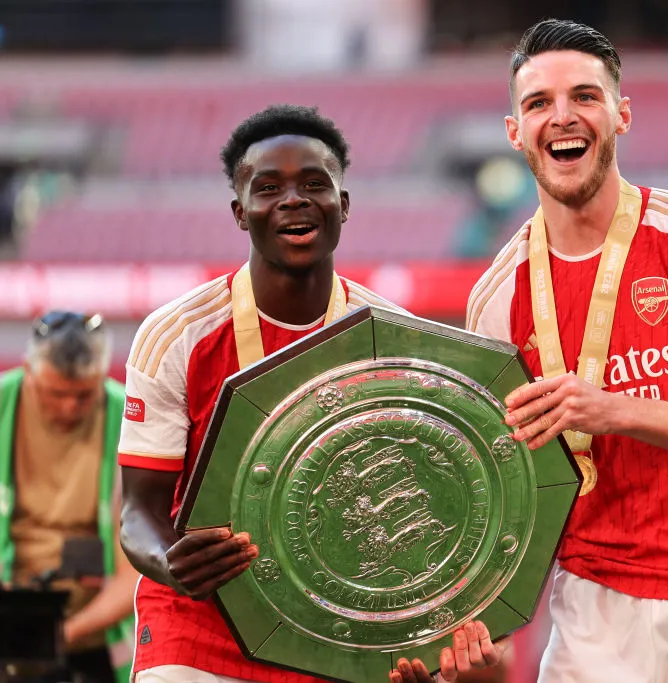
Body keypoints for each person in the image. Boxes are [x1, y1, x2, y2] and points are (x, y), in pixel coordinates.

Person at [117, 105, 501, 683]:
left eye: (315, 184)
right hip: (198, 630)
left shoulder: (393, 339)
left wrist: (416, 643)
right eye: (268, 188)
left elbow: (425, 497)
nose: (293, 200)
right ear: (240, 213)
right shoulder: (179, 335)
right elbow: (138, 511)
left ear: (343, 206)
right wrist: (171, 563)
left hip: (332, 634)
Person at [467, 18, 668, 682]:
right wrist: (476, 612)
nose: (563, 117)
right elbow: (507, 478)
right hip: (593, 599)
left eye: (585, 97)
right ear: (515, 132)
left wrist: (614, 410)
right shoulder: (496, 296)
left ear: (621, 115)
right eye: (538, 103)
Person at [0, 310, 138, 683]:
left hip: (101, 631)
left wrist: (65, 633)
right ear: (28, 371)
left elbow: (139, 569)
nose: (68, 408)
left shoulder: (129, 419)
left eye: (83, 395)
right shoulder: (3, 404)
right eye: (54, 393)